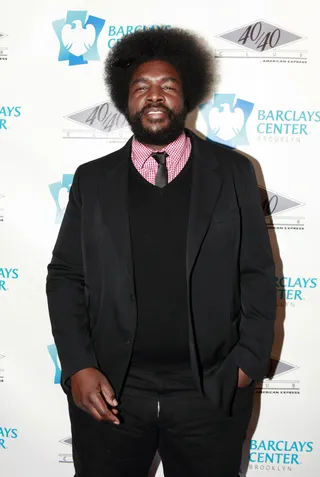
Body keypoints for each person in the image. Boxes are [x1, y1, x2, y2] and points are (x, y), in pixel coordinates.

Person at [46, 27, 276, 477]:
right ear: (125, 100)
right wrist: (78, 366)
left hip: (209, 391)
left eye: (167, 86)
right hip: (111, 390)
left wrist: (246, 364)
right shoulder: (93, 180)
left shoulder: (233, 172)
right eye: (141, 87)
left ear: (186, 96)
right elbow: (66, 275)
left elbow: (257, 274)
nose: (155, 96)